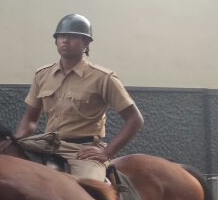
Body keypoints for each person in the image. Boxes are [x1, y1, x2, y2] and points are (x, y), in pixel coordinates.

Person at [14, 14, 143, 181]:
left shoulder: (103, 77)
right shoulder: (42, 75)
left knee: (88, 192)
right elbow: (30, 119)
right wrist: (15, 142)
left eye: (72, 36)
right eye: (61, 36)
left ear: (86, 43)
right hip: (45, 146)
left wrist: (107, 152)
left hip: (82, 152)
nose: (65, 40)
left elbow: (134, 119)